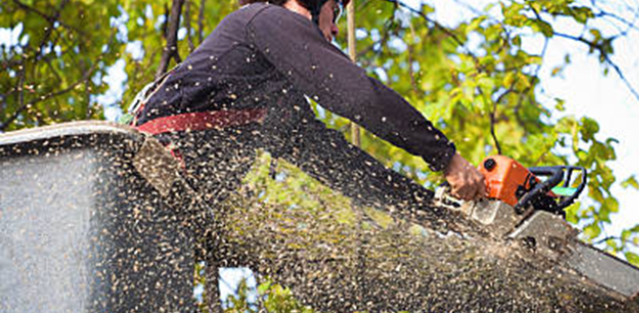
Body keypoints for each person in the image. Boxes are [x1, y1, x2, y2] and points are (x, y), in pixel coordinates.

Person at [133, 0, 487, 205]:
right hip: (148, 172)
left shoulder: (275, 97)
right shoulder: (261, 20)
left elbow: (339, 166)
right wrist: (446, 157)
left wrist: (432, 208)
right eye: (334, 9)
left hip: (171, 203)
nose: (334, 30)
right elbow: (357, 95)